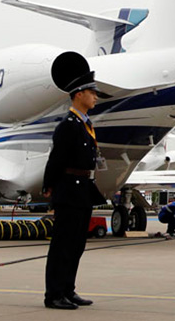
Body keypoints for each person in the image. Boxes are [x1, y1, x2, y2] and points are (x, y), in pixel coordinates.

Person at [42, 71, 108, 310]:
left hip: (83, 191)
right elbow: (56, 159)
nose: (95, 98)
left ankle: (68, 290)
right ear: (79, 95)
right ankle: (54, 294)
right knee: (63, 245)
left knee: (77, 244)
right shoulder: (68, 126)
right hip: (69, 190)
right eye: (92, 93)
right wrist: (48, 186)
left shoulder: (85, 125)